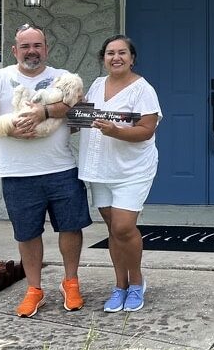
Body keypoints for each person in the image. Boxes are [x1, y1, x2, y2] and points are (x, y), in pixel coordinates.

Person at [0, 23, 91, 317]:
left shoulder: (63, 78)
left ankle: (71, 282)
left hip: (61, 168)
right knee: (27, 234)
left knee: (71, 227)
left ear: (46, 49)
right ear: (15, 50)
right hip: (17, 173)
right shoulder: (0, 78)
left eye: (37, 45)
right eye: (25, 46)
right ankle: (34, 289)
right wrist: (5, 129)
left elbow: (81, 110)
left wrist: (47, 114)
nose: (31, 51)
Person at [78, 34, 162, 313]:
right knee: (113, 229)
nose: (116, 57)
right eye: (110, 53)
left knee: (124, 227)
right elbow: (83, 119)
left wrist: (116, 131)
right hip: (100, 169)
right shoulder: (97, 84)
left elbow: (147, 129)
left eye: (122, 52)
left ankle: (137, 283)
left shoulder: (142, 89)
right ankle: (120, 285)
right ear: (103, 58)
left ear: (132, 58)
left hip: (131, 170)